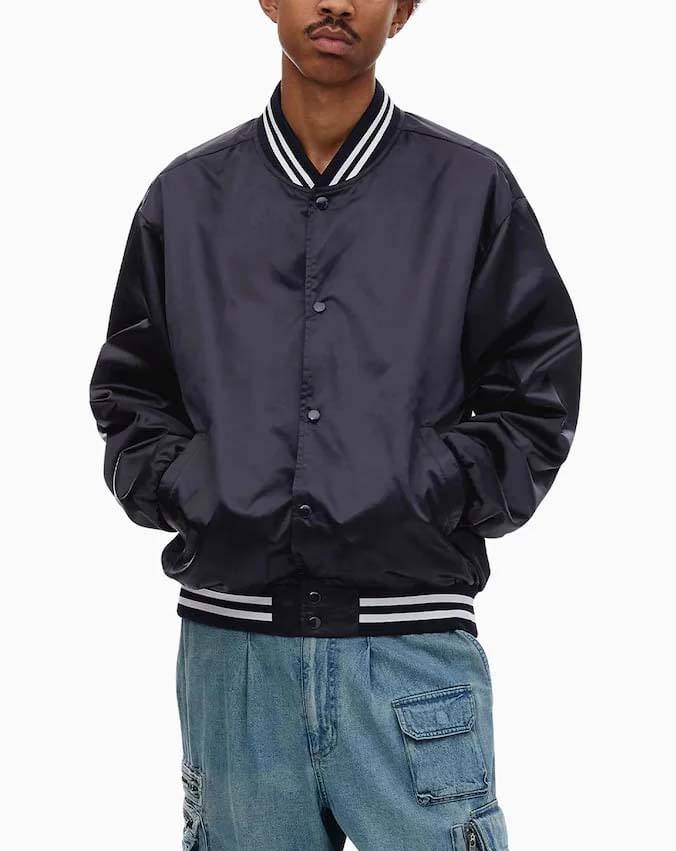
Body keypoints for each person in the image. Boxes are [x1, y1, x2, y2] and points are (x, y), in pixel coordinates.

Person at [88, 1, 582, 848]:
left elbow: (538, 391)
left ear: (404, 10)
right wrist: (199, 489)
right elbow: (130, 393)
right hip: (235, 661)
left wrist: (426, 490)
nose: (335, 3)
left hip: (412, 653)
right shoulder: (186, 197)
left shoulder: (469, 188)